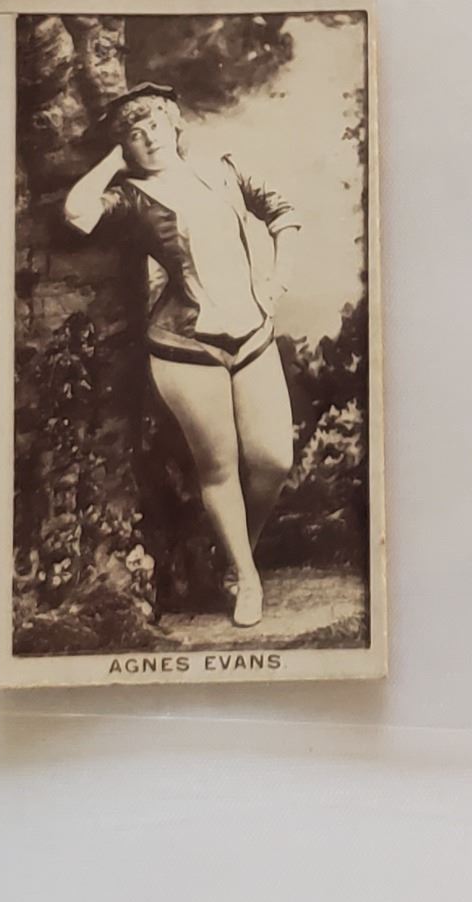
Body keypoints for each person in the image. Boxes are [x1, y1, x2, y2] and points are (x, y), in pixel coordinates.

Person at [64, 83, 298, 628]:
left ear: (174, 122)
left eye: (152, 123)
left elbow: (284, 213)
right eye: (132, 133)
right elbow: (76, 214)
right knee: (219, 468)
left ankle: (236, 558)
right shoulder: (131, 197)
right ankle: (247, 580)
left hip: (253, 332)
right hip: (184, 345)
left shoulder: (224, 171)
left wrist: (276, 282)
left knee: (273, 461)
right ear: (124, 146)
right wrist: (114, 159)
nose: (147, 137)